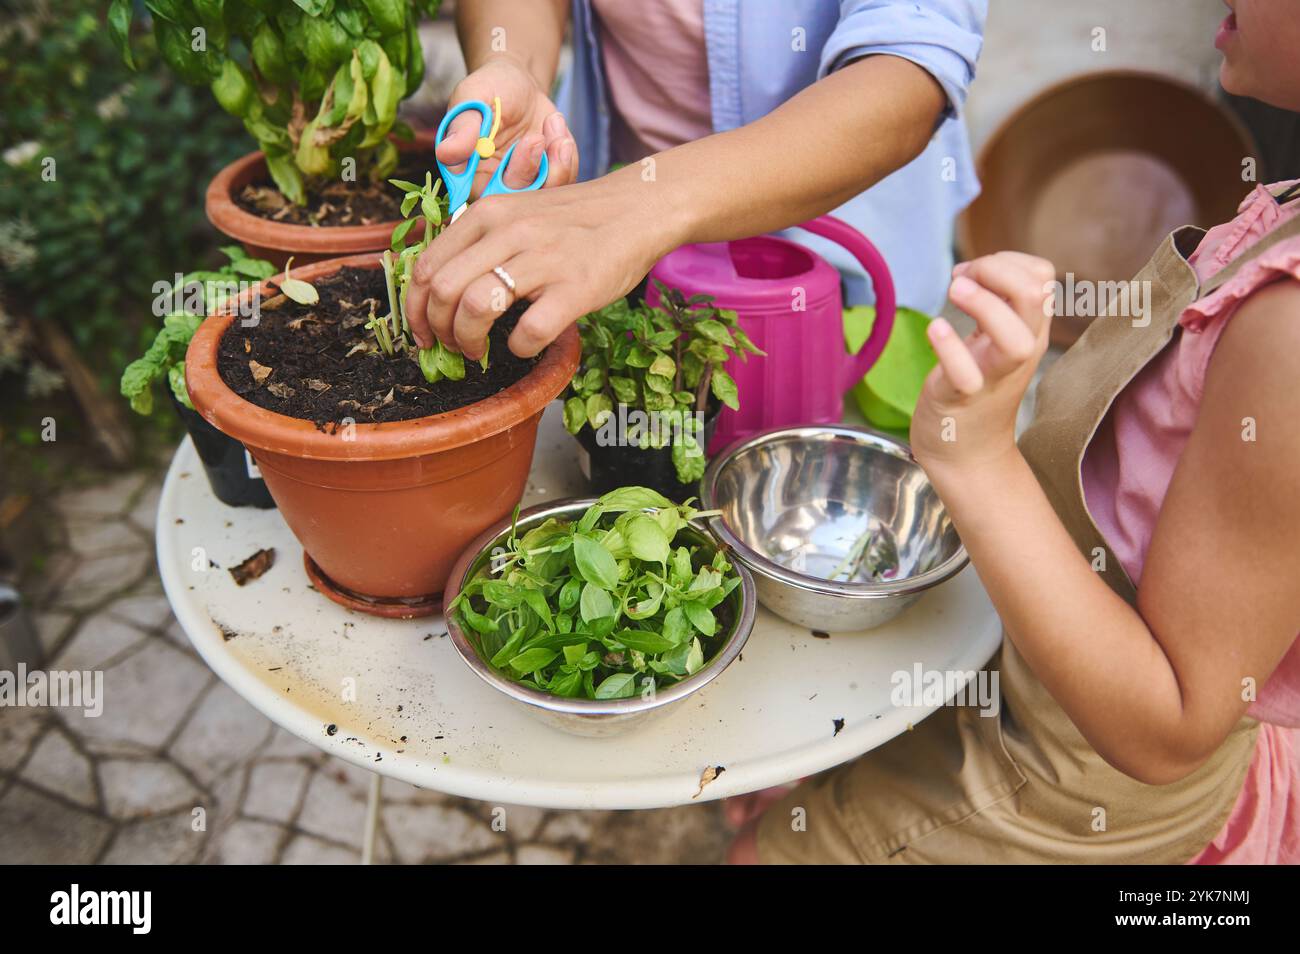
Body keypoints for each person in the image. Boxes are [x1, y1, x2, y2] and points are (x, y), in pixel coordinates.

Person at [732, 0, 1300, 864]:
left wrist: (979, 457)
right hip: (1042, 673)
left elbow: (1168, 727)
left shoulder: (1290, 332)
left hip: (1078, 785)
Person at [403, 0, 986, 361]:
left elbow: (907, 73)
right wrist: (516, 64)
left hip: (841, 272)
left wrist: (644, 206)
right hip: (614, 249)